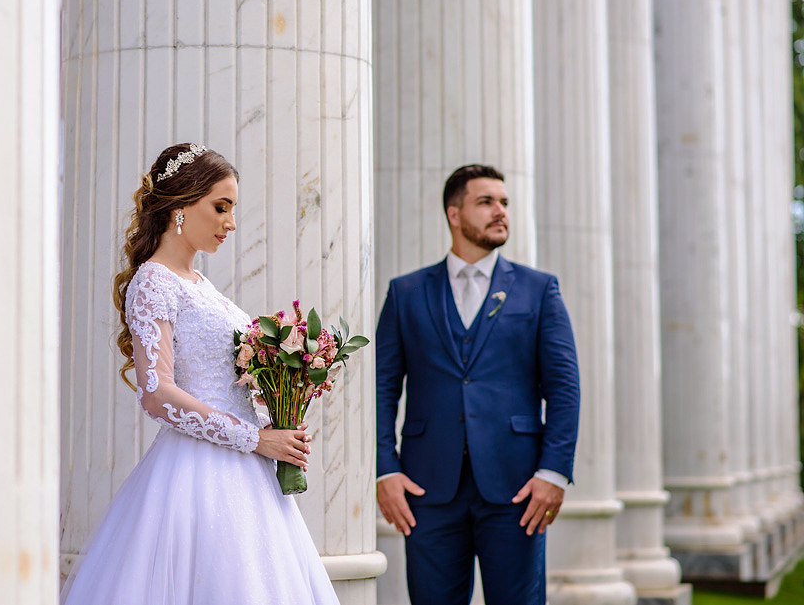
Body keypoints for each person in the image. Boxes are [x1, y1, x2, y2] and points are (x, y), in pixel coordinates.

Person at [61, 143, 339, 605]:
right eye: (221, 207)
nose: (231, 222)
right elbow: (157, 394)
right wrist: (255, 439)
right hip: (198, 475)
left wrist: (276, 414)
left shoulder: (200, 283)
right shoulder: (153, 281)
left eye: (232, 209)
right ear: (180, 208)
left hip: (249, 470)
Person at [375, 164, 580, 605]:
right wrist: (384, 469)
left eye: (504, 203)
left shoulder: (539, 290)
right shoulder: (406, 293)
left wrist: (554, 472)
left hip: (519, 486)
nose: (500, 211)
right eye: (486, 202)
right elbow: (381, 388)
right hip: (427, 487)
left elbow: (564, 387)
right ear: (454, 214)